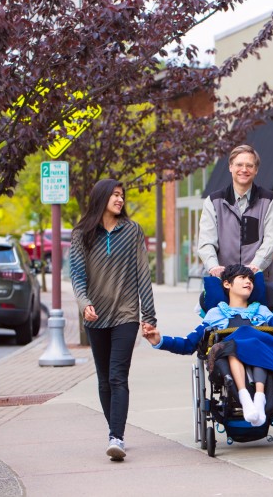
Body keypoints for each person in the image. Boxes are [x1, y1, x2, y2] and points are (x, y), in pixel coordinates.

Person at [142, 264, 273, 426]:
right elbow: (188, 344)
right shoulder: (215, 315)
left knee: (253, 340)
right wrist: (159, 341)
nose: (248, 282)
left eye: (251, 279)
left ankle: (259, 399)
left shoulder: (262, 312)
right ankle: (247, 399)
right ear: (227, 284)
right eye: (242, 278)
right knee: (235, 345)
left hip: (262, 357)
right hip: (230, 360)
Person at [69, 179, 157, 461]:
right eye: (115, 195)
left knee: (118, 376)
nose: (120, 200)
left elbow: (143, 274)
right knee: (104, 379)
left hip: (125, 315)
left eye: (122, 195)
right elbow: (77, 275)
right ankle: (114, 429)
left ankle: (116, 437)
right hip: (95, 316)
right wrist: (84, 304)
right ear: (101, 198)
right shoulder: (82, 233)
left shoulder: (132, 231)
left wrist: (149, 316)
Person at [198, 144, 273, 281]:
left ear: (256, 170)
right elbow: (206, 241)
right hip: (224, 280)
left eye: (249, 165)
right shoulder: (213, 201)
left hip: (258, 279)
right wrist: (213, 267)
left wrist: (256, 265)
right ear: (231, 167)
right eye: (239, 165)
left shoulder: (269, 200)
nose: (244, 169)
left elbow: (271, 240)